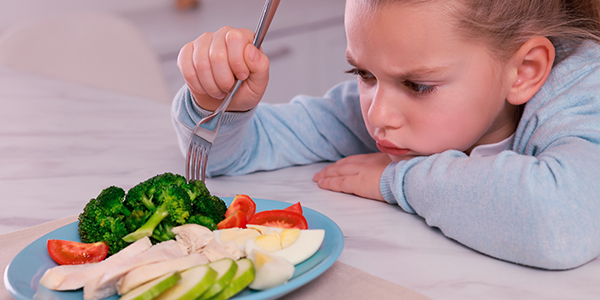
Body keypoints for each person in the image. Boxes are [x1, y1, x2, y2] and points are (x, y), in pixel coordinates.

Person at [172, 0, 600, 270]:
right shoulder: (384, 105)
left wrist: (398, 178)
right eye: (363, 73)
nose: (378, 115)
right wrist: (220, 106)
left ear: (524, 72)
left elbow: (561, 224)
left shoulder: (581, 93)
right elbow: (228, 158)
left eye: (417, 86)